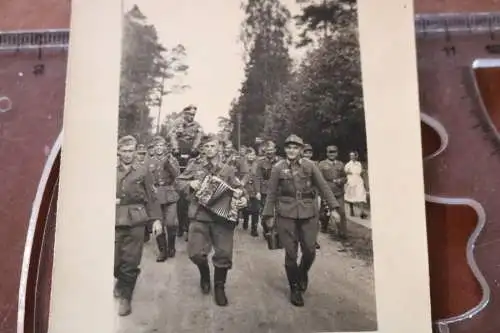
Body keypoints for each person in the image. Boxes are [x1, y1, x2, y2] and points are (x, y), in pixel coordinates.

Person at [262, 134, 341, 307]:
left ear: (301, 150)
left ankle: (303, 272)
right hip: (286, 214)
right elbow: (271, 193)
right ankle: (295, 288)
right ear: (285, 149)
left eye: (295, 148)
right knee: (290, 253)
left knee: (310, 250)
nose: (292, 150)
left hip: (308, 213)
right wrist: (267, 215)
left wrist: (334, 208)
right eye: (289, 147)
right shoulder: (278, 168)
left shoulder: (310, 165)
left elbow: (324, 187)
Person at [175, 134, 247, 306]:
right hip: (199, 215)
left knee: (223, 254)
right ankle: (204, 272)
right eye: (206, 147)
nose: (209, 149)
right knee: (195, 253)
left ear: (219, 148)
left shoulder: (228, 169)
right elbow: (178, 182)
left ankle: (219, 287)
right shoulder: (195, 166)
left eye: (213, 146)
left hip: (222, 219)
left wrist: (244, 199)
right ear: (202, 149)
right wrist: (189, 184)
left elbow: (239, 189)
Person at [115, 135, 162, 316]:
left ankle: (126, 297)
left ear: (136, 152)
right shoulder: (110, 169)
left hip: (136, 218)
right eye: (124, 150)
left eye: (131, 150)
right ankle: (120, 281)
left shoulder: (143, 171)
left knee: (131, 260)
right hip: (115, 217)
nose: (128, 154)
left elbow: (152, 196)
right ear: (119, 151)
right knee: (114, 260)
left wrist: (156, 219)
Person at [149, 136, 181, 261]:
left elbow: (178, 176)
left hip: (170, 194)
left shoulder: (171, 160)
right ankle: (162, 250)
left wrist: (169, 165)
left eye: (161, 145)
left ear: (165, 147)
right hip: (155, 195)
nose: (158, 148)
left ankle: (171, 245)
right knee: (158, 224)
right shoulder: (149, 161)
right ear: (153, 148)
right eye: (156, 146)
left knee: (171, 223)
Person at [317, 145, 347, 238]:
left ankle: (342, 232)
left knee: (341, 212)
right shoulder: (322, 164)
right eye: (330, 152)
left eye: (334, 152)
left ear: (337, 153)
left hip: (339, 193)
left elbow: (345, 177)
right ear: (327, 153)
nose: (332, 154)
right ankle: (324, 226)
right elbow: (319, 179)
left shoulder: (341, 164)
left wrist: (341, 181)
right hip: (327, 193)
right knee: (325, 213)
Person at [254, 140, 282, 236]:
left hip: (279, 191)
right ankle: (266, 229)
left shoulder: (281, 161)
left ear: (275, 150)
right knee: (265, 212)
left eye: (271, 149)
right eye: (267, 150)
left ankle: (277, 231)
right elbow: (257, 177)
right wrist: (257, 191)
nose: (269, 152)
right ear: (264, 151)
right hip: (265, 191)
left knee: (279, 211)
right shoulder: (261, 162)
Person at [241, 147, 259, 236]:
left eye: (253, 155)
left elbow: (259, 178)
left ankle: (254, 229)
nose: (251, 156)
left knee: (256, 210)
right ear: (246, 155)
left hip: (255, 190)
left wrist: (258, 191)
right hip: (245, 189)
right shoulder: (241, 164)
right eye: (249, 155)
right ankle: (245, 220)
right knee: (245, 208)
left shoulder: (258, 164)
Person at [344, 151, 367, 218]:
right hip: (351, 181)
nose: (352, 157)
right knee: (351, 196)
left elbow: (361, 173)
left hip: (359, 181)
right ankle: (351, 210)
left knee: (361, 195)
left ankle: (362, 212)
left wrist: (364, 181)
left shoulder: (359, 164)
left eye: (353, 155)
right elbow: (345, 173)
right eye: (351, 155)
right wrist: (347, 174)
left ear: (356, 156)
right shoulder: (348, 164)